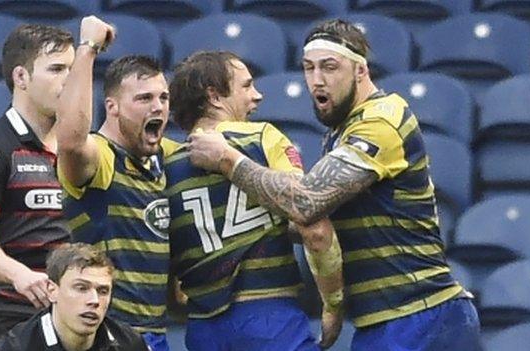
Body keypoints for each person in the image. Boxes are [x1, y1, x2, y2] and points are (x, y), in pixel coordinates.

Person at [187, 20, 482, 351]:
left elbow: (306, 205)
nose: (316, 80)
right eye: (309, 68)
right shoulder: (341, 131)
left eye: (329, 67)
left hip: (423, 315)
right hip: (387, 321)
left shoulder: (381, 120)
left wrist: (228, 160)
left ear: (360, 70)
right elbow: (315, 224)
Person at [165, 50, 343, 351]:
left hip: (201, 328)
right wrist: (334, 304)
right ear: (214, 96)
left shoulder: (167, 167)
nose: (258, 96)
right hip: (270, 320)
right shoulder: (263, 138)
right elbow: (314, 230)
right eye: (246, 86)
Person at [55, 16, 178, 351]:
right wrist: (88, 49)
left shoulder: (165, 156)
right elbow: (69, 142)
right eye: (144, 99)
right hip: (108, 335)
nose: (158, 107)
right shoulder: (102, 157)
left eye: (164, 98)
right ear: (112, 107)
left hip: (153, 333)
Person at [0, 24, 74, 351]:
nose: (70, 80)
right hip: (7, 318)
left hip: (70, 320)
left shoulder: (81, 149)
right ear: (21, 78)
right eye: (57, 69)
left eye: (73, 70)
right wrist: (19, 275)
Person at [0, 243, 150, 351]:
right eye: (81, 288)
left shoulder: (130, 344)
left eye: (103, 291)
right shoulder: (14, 347)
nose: (94, 300)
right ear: (52, 290)